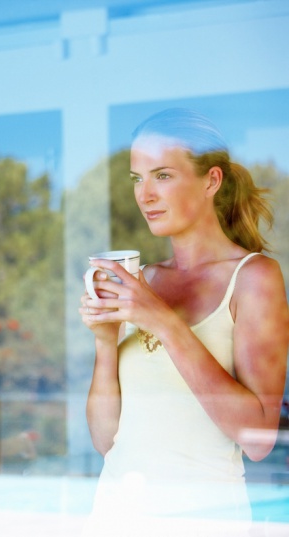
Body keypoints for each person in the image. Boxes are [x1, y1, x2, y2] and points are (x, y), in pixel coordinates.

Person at [79, 108, 289, 536]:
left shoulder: (254, 278)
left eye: (163, 175)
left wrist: (163, 322)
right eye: (138, 178)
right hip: (114, 519)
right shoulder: (145, 281)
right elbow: (106, 441)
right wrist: (105, 343)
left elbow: (259, 439)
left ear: (211, 180)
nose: (145, 195)